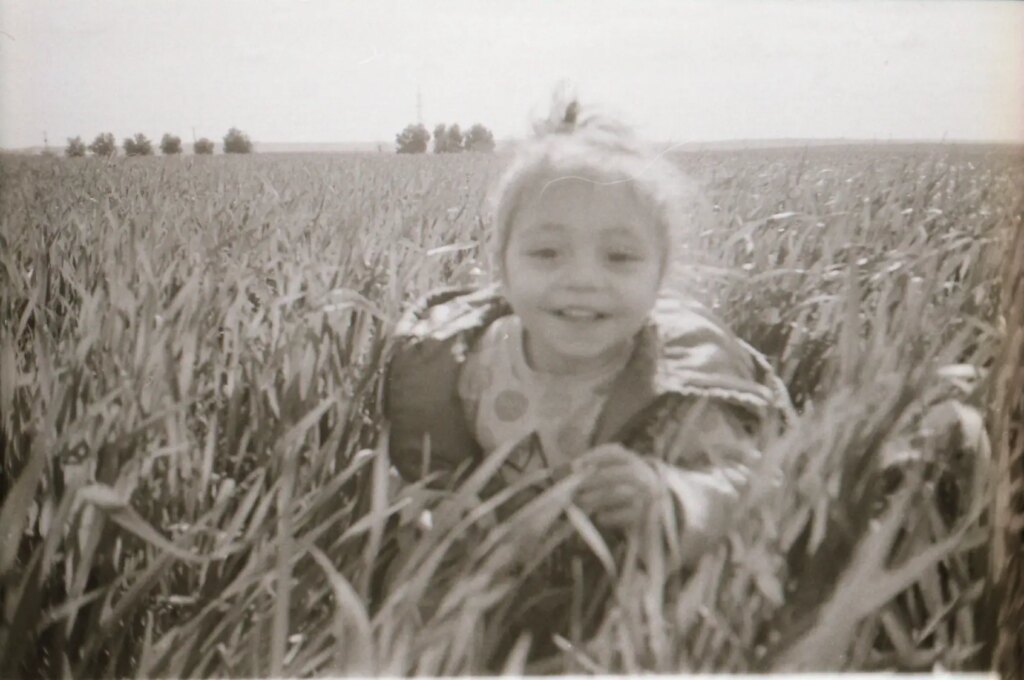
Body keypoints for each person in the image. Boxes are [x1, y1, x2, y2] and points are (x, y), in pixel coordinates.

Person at [379, 91, 795, 661]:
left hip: (622, 588)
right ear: (502, 267)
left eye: (620, 258)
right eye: (547, 253)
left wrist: (672, 499)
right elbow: (433, 477)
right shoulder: (471, 365)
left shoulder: (675, 387)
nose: (582, 279)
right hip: (505, 584)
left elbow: (749, 486)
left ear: (660, 275)